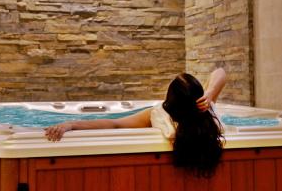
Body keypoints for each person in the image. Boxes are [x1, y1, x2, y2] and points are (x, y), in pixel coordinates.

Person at [45, 68, 226, 177]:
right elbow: (220, 72)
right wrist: (210, 94)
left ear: (170, 100)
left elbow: (115, 124)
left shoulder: (160, 116)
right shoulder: (206, 113)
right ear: (198, 97)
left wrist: (72, 124)